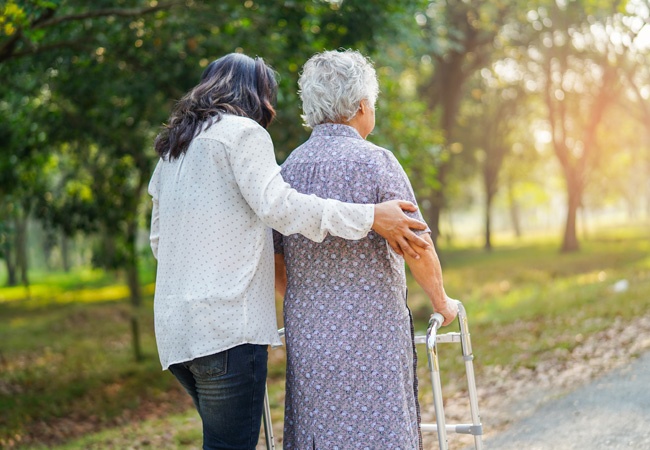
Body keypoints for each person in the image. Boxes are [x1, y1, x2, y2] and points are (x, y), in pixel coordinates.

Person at [147, 52, 431, 450]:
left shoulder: (173, 149)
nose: (270, 108)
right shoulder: (242, 134)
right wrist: (370, 216)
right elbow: (281, 208)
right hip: (226, 330)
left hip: (176, 333)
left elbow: (160, 241)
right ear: (254, 94)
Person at [273, 49, 459, 449]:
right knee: (380, 430)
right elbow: (418, 247)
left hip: (311, 338)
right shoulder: (377, 163)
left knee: (319, 433)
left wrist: (309, 303)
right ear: (361, 106)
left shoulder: (287, 170)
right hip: (373, 334)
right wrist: (442, 303)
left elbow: (276, 258)